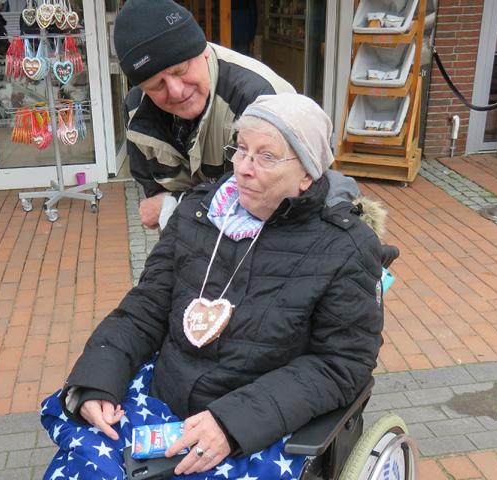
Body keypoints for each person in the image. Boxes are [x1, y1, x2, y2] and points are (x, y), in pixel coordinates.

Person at [40, 93, 388, 479]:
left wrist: (231, 423)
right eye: (241, 149)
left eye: (266, 156)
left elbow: (342, 363)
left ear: (307, 173)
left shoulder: (344, 247)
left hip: (257, 427)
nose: (243, 168)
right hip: (162, 401)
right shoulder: (197, 212)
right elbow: (146, 306)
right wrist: (98, 381)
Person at [114, 0, 295, 230]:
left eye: (180, 70)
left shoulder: (260, 99)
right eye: (157, 85)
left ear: (203, 51)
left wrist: (172, 205)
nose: (176, 91)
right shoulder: (135, 112)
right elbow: (153, 194)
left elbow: (272, 206)